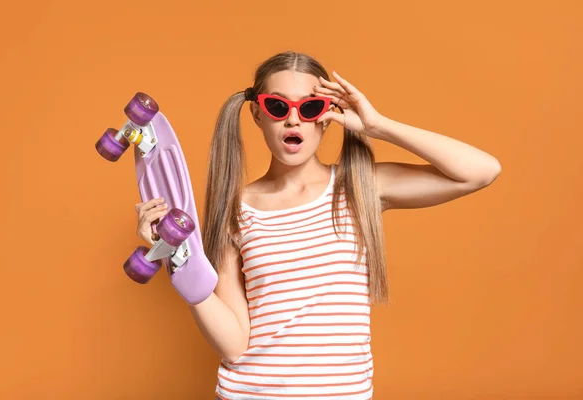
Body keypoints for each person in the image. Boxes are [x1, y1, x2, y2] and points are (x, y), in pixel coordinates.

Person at [134, 51, 501, 399]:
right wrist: (178, 260)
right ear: (258, 115)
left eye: (310, 108)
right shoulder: (236, 210)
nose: (294, 120)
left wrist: (378, 126)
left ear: (327, 115)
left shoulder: (358, 188)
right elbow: (234, 344)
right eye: (278, 107)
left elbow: (480, 172)